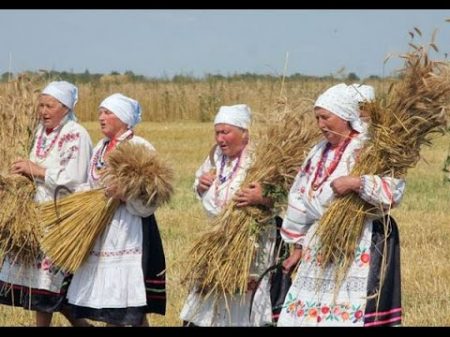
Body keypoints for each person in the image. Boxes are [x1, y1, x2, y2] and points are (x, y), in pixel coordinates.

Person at [277, 83, 405, 327]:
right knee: (310, 314)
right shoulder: (317, 152)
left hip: (356, 240)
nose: (320, 124)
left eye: (325, 117)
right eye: (317, 118)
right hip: (319, 241)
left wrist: (357, 183)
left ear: (345, 116)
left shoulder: (367, 148)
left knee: (346, 312)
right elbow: (298, 195)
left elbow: (395, 191)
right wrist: (297, 246)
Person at [65, 93, 166, 327]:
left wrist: (125, 193)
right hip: (101, 230)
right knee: (115, 305)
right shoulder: (100, 147)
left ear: (123, 117)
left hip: (129, 231)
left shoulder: (139, 147)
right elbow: (91, 185)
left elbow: (154, 192)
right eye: (100, 112)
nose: (101, 117)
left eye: (108, 113)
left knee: (125, 304)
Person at [0, 80, 93, 326]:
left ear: (65, 107)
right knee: (48, 294)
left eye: (49, 106)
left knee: (53, 290)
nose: (43, 111)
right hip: (38, 217)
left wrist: (37, 171)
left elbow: (74, 179)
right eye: (40, 105)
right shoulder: (41, 133)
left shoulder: (76, 134)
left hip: (61, 218)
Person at [180, 104, 279, 326]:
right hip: (217, 237)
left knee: (242, 298)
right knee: (208, 294)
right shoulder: (215, 157)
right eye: (217, 132)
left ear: (244, 133)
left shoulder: (260, 159)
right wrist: (200, 185)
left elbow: (284, 196)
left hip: (250, 242)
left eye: (226, 132)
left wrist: (262, 198)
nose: (220, 138)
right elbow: (201, 184)